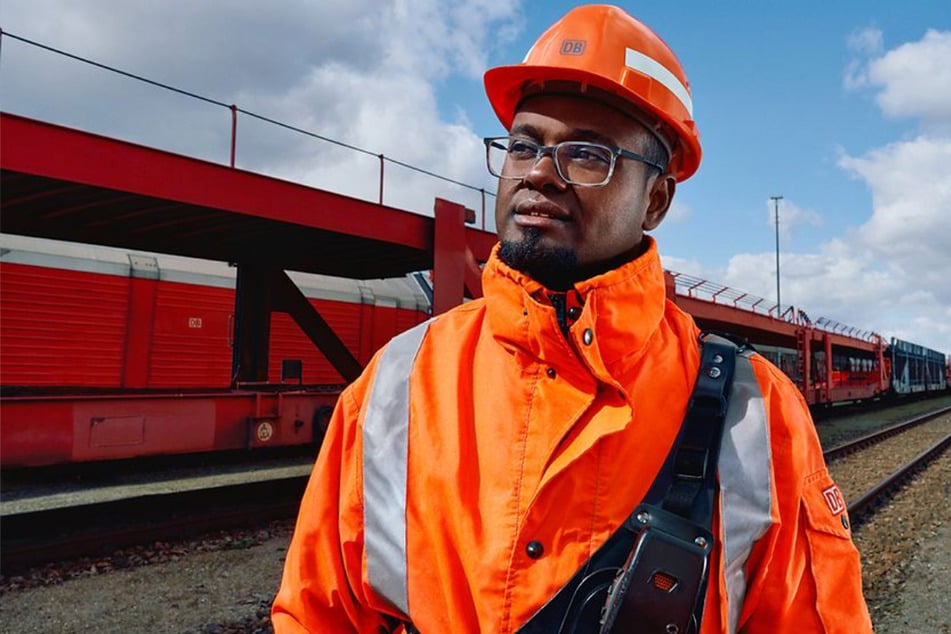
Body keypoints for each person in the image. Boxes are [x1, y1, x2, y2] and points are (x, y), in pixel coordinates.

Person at [272, 5, 873, 633]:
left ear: (657, 200)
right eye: (524, 144)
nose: (538, 172)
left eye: (588, 155)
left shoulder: (760, 414)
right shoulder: (397, 381)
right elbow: (316, 614)